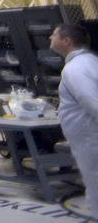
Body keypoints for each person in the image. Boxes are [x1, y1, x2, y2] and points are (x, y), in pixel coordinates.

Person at [51, 23, 98, 218]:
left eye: (54, 35)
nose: (50, 38)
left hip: (91, 137)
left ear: (66, 41)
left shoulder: (75, 68)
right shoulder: (90, 62)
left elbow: (92, 102)